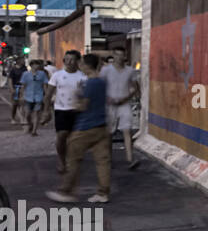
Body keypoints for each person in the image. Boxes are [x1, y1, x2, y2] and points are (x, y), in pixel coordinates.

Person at [46, 53, 111, 204]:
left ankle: (66, 191)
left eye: (82, 64)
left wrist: (76, 99)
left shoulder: (89, 84)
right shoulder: (102, 82)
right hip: (102, 125)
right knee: (103, 161)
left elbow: (83, 106)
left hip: (86, 126)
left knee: (73, 158)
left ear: (87, 66)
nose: (79, 66)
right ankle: (103, 193)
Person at [45, 50, 84, 174]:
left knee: (74, 138)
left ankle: (72, 159)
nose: (69, 62)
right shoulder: (57, 75)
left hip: (77, 111)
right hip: (61, 110)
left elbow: (87, 95)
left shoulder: (82, 76)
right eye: (66, 59)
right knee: (61, 136)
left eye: (72, 59)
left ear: (78, 61)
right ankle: (62, 160)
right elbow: (48, 94)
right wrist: (46, 111)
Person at [101, 49, 139, 168]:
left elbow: (134, 88)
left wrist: (126, 97)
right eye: (117, 55)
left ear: (125, 56)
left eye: (122, 55)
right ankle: (108, 159)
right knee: (109, 133)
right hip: (109, 104)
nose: (119, 57)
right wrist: (106, 98)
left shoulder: (130, 71)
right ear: (113, 56)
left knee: (127, 131)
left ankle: (130, 159)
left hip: (124, 103)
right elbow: (100, 86)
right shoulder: (106, 70)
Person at [18, 59, 48, 136]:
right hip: (28, 96)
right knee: (27, 114)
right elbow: (23, 86)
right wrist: (22, 96)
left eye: (37, 64)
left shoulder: (42, 74)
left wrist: (46, 95)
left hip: (39, 96)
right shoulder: (25, 74)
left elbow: (45, 85)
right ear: (31, 65)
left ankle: (34, 131)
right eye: (34, 64)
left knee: (37, 113)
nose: (36, 66)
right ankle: (30, 124)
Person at [9, 57, 26, 124]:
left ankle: (23, 118)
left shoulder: (24, 69)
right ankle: (13, 118)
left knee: (22, 104)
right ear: (18, 61)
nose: (23, 61)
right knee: (14, 104)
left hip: (23, 87)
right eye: (22, 60)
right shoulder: (13, 69)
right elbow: (10, 80)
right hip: (15, 87)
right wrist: (11, 89)